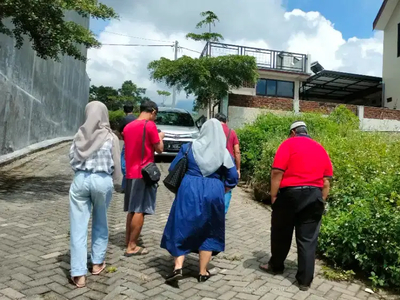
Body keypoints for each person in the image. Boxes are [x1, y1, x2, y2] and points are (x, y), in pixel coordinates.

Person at [160, 118, 239, 283]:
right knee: (209, 229)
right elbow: (232, 177)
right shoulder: (224, 153)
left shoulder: (189, 147)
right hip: (214, 190)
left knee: (181, 224)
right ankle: (203, 271)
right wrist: (223, 187)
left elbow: (173, 168)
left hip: (189, 188)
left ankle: (178, 267)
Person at [259, 121, 333, 291]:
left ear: (293, 132)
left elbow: (277, 172)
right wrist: (321, 199)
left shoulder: (288, 144)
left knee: (281, 232)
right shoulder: (319, 148)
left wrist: (274, 195)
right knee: (308, 239)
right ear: (306, 131)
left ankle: (276, 266)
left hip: (290, 194)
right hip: (314, 195)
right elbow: (326, 181)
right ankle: (305, 281)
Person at [68, 101, 122, 288]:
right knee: (100, 221)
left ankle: (78, 273)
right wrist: (117, 182)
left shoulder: (79, 135)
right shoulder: (110, 137)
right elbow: (116, 163)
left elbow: (72, 159)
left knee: (78, 226)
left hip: (80, 180)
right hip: (102, 180)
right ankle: (97, 263)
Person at [123, 100, 164, 256]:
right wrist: (161, 136)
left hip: (130, 172)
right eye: (156, 114)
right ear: (152, 111)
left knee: (132, 210)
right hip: (144, 173)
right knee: (140, 210)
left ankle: (128, 241)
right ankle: (132, 246)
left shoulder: (127, 127)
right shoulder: (150, 126)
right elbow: (159, 149)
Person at [215, 113, 241, 215]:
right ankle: (223, 212)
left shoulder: (213, 131)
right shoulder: (232, 132)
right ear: (226, 121)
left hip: (214, 163)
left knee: (213, 185)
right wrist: (238, 169)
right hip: (228, 164)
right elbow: (237, 151)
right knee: (227, 187)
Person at [118, 102, 137, 192]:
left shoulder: (124, 119)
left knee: (124, 164)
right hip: (136, 144)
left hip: (127, 144)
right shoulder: (137, 119)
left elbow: (119, 131)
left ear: (124, 110)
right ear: (132, 109)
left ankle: (125, 186)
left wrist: (123, 137)